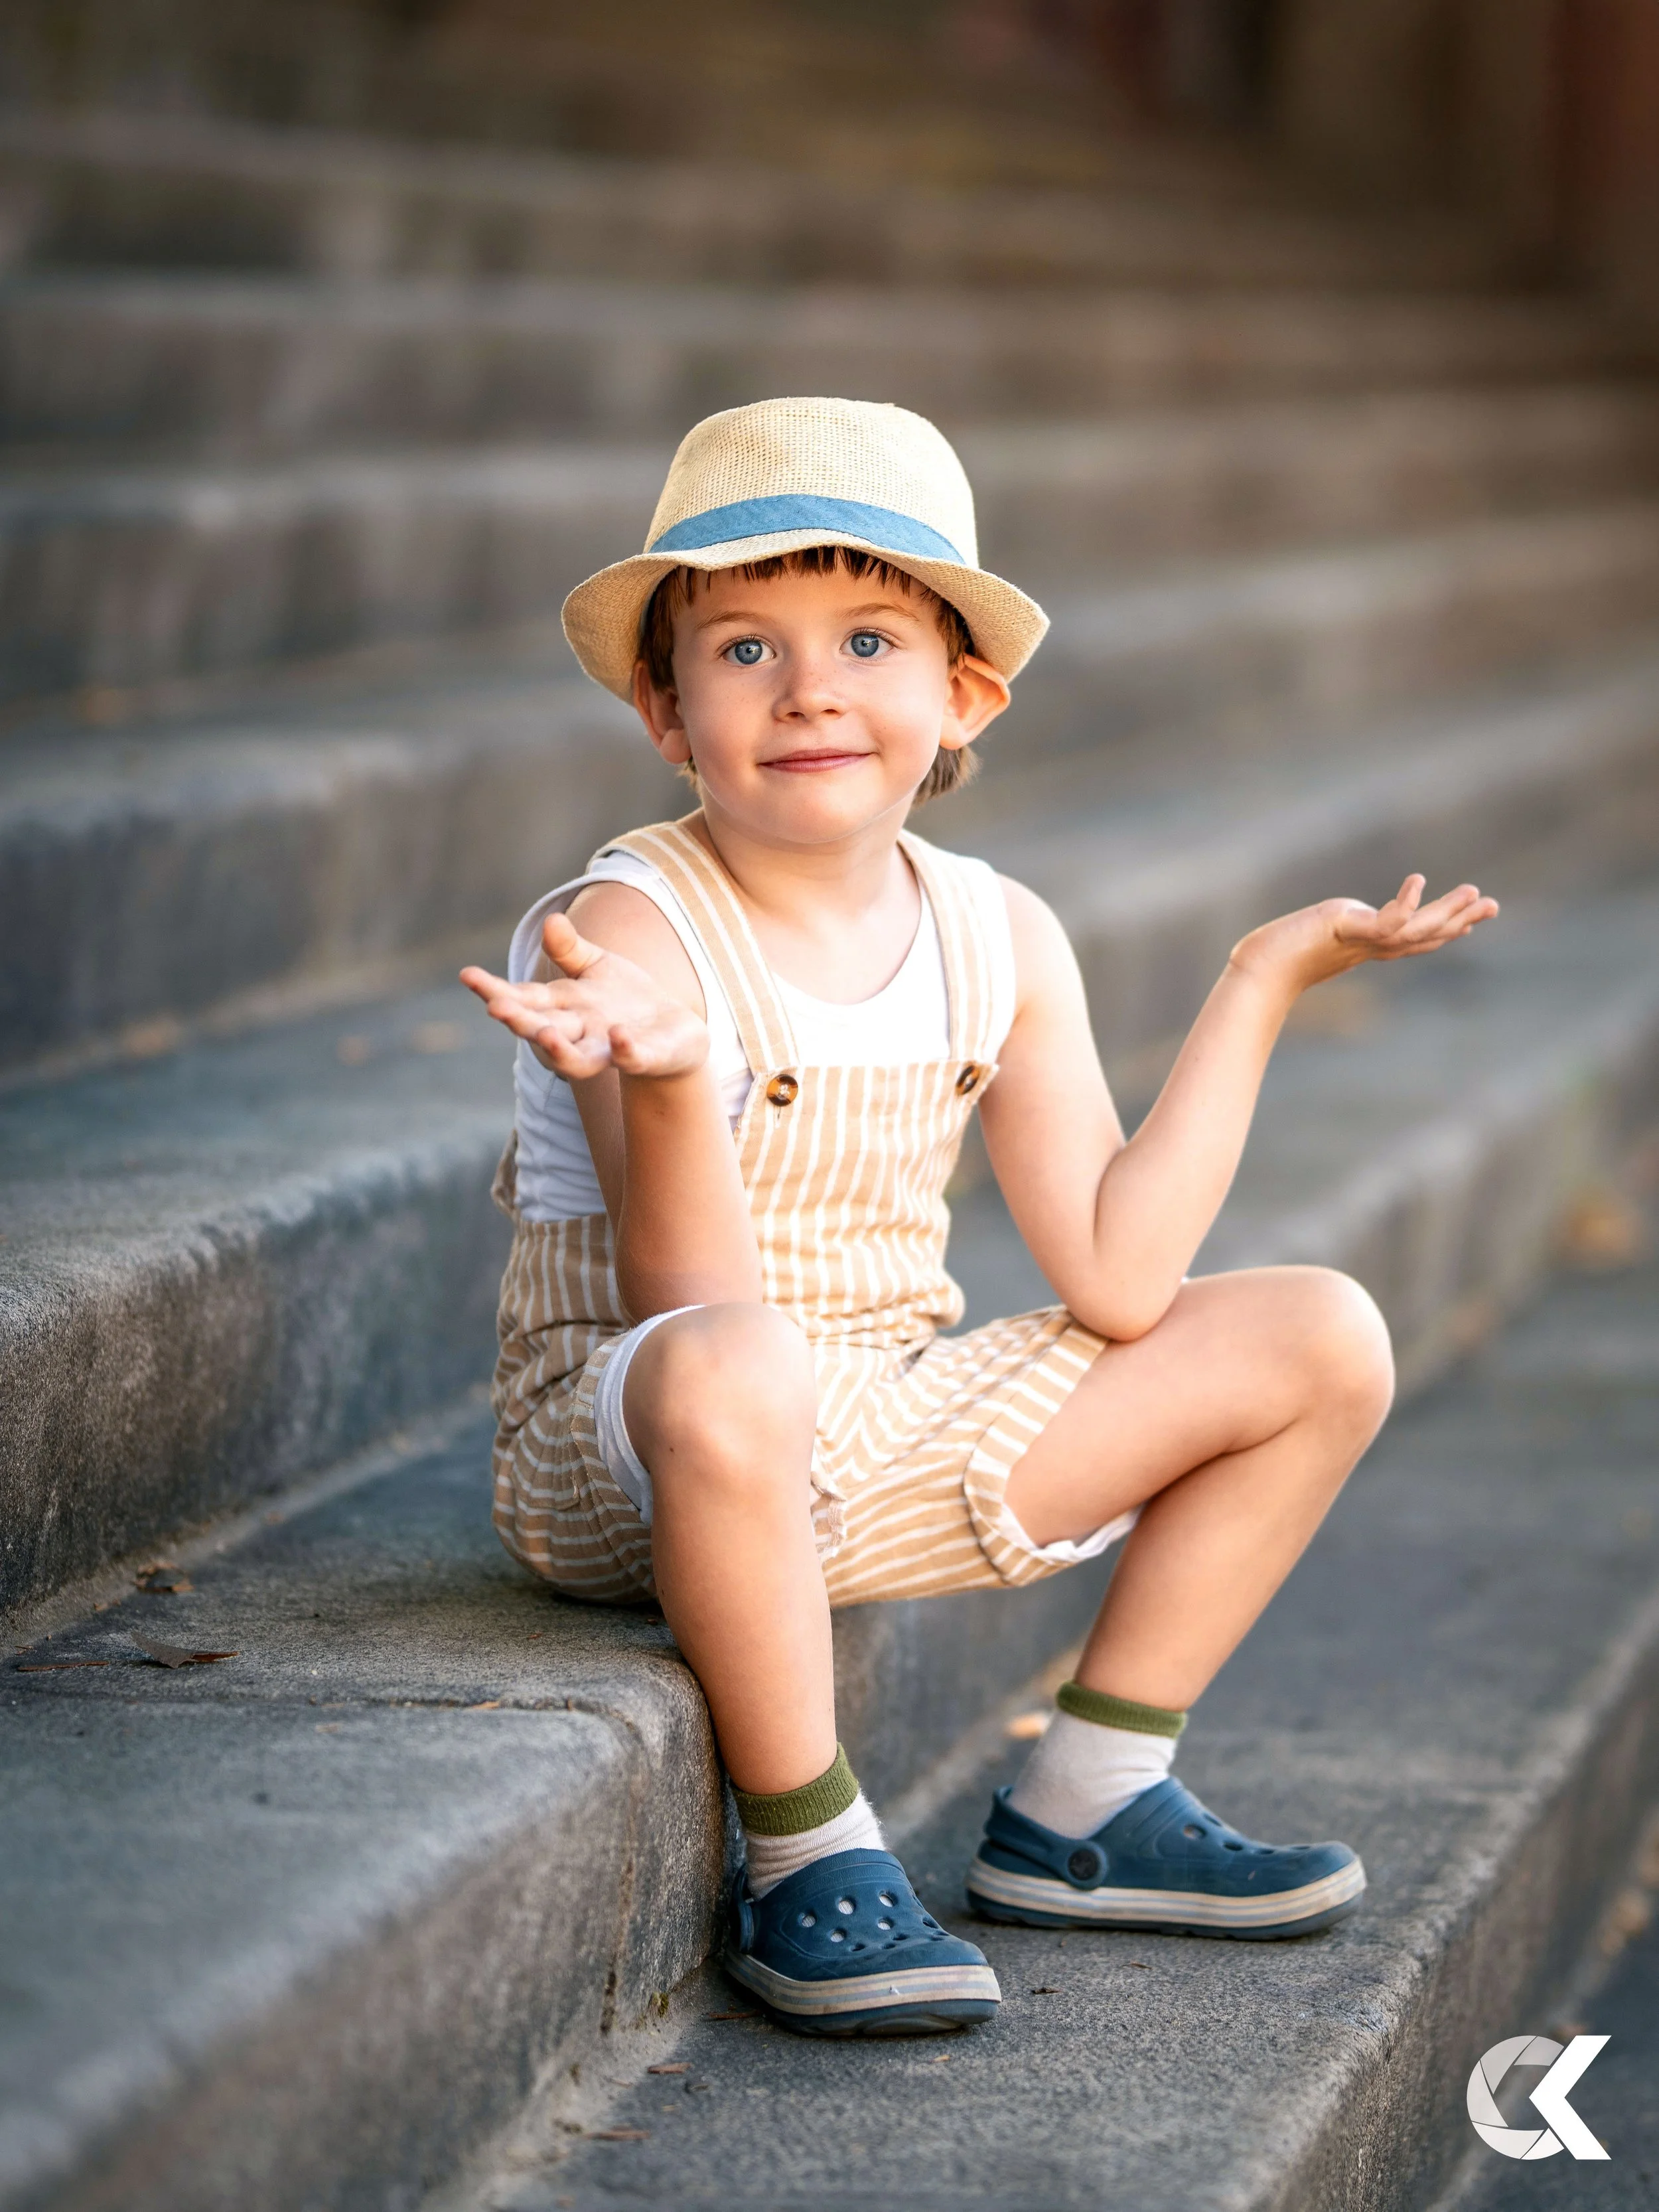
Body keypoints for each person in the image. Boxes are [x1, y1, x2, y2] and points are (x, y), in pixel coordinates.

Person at [461, 396, 1497, 2038]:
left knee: (1316, 1333)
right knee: (737, 1365)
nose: (806, 689)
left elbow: (1116, 1270)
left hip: (878, 1410)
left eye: (867, 638)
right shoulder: (629, 931)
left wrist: (1255, 983)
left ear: (962, 697)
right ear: (663, 709)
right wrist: (663, 1080)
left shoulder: (993, 929)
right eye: (742, 650)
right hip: (644, 1455)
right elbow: (692, 1311)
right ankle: (804, 1849)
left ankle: (1086, 1800)